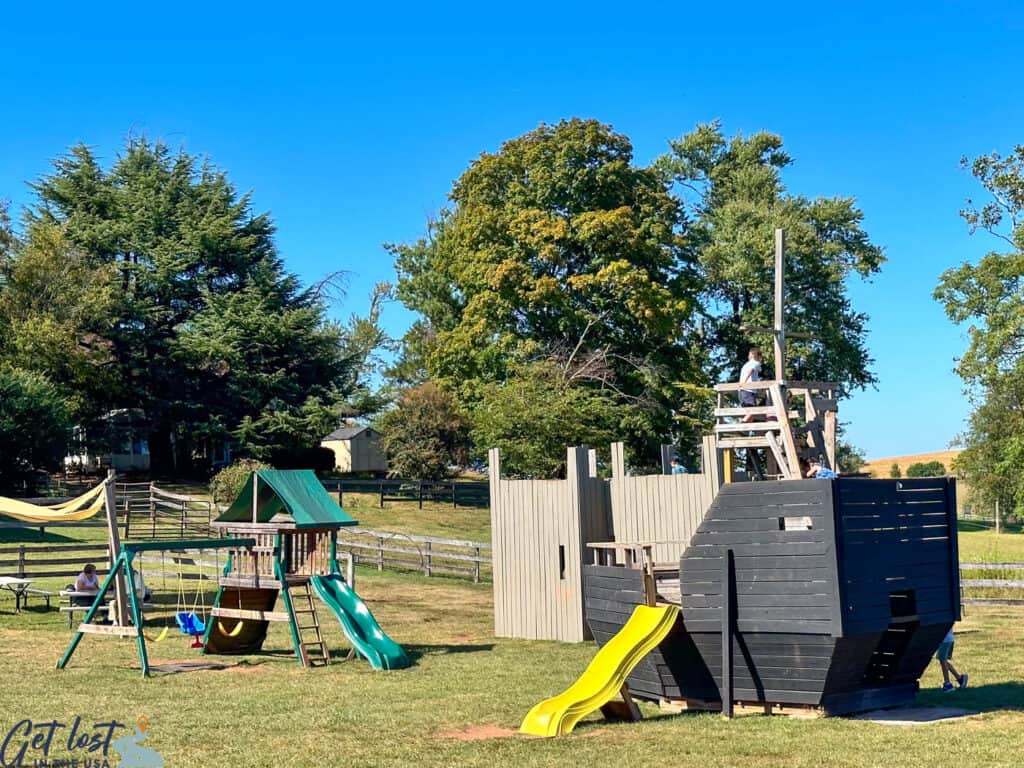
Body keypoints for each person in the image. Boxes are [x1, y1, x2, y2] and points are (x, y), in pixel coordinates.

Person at [936, 627, 968, 692]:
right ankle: (960, 678)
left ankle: (948, 684)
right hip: (947, 639)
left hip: (945, 640)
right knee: (943, 661)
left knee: (943, 660)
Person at [739, 348, 763, 422]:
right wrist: (745, 382)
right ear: (756, 356)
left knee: (749, 412)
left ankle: (744, 430)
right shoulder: (755, 362)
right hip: (748, 390)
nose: (748, 356)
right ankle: (742, 423)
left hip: (742, 391)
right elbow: (751, 370)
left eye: (749, 354)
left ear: (752, 355)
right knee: (753, 410)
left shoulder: (746, 364)